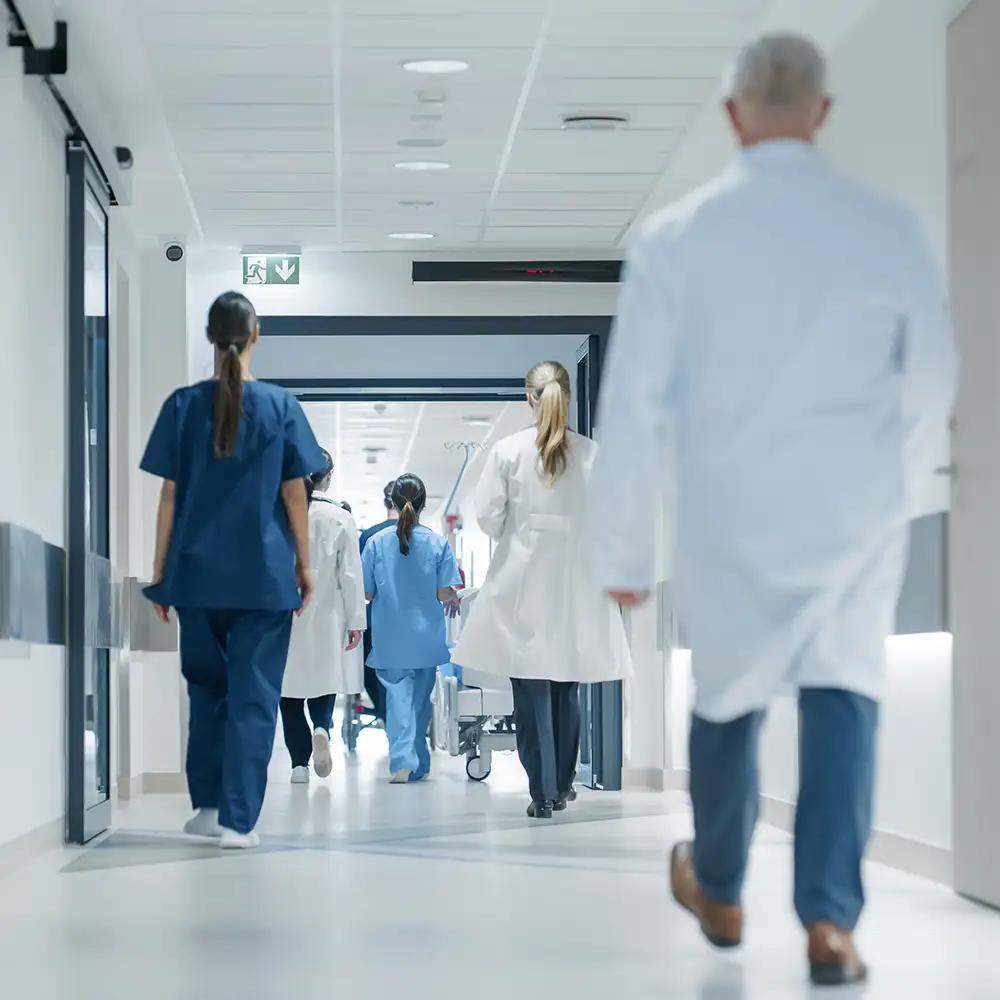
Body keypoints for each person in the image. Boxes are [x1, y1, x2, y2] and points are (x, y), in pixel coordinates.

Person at [587, 33, 958, 987]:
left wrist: (622, 551)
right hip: (853, 511)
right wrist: (894, 484)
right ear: (822, 112)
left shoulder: (677, 238)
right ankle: (830, 921)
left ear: (732, 114)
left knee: (727, 699)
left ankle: (719, 885)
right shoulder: (884, 228)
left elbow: (633, 404)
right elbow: (932, 375)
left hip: (730, 512)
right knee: (844, 694)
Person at [141, 291, 327, 850]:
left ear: (209, 336)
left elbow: (170, 496)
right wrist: (304, 565)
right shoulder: (280, 406)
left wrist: (161, 571)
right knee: (253, 697)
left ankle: (208, 806)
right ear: (256, 335)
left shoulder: (182, 405)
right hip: (262, 578)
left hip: (198, 576)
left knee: (207, 692)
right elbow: (295, 495)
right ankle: (238, 821)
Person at [452, 362, 632, 818]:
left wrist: (521, 528)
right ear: (567, 397)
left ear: (529, 399)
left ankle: (543, 792)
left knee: (531, 691)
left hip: (524, 583)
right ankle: (564, 785)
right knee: (566, 688)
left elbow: (488, 518)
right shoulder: (593, 454)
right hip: (577, 586)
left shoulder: (508, 451)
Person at [361, 474, 462, 783]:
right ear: (423, 504)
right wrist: (452, 597)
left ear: (392, 502)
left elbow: (366, 593)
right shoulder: (437, 543)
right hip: (425, 638)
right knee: (419, 704)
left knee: (398, 700)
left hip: (390, 636)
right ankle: (418, 763)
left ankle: (403, 759)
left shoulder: (376, 543)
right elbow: (442, 592)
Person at [279, 449, 366, 784]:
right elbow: (351, 576)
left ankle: (298, 765)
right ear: (327, 478)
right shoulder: (340, 518)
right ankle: (321, 728)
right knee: (323, 680)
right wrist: (356, 622)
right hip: (327, 615)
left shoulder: (277, 512)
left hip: (284, 617)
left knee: (288, 690)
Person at [358, 480, 398, 723]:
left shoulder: (369, 536)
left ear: (386, 502)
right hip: (414, 622)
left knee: (369, 670)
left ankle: (383, 711)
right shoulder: (427, 536)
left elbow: (364, 587)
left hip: (378, 619)